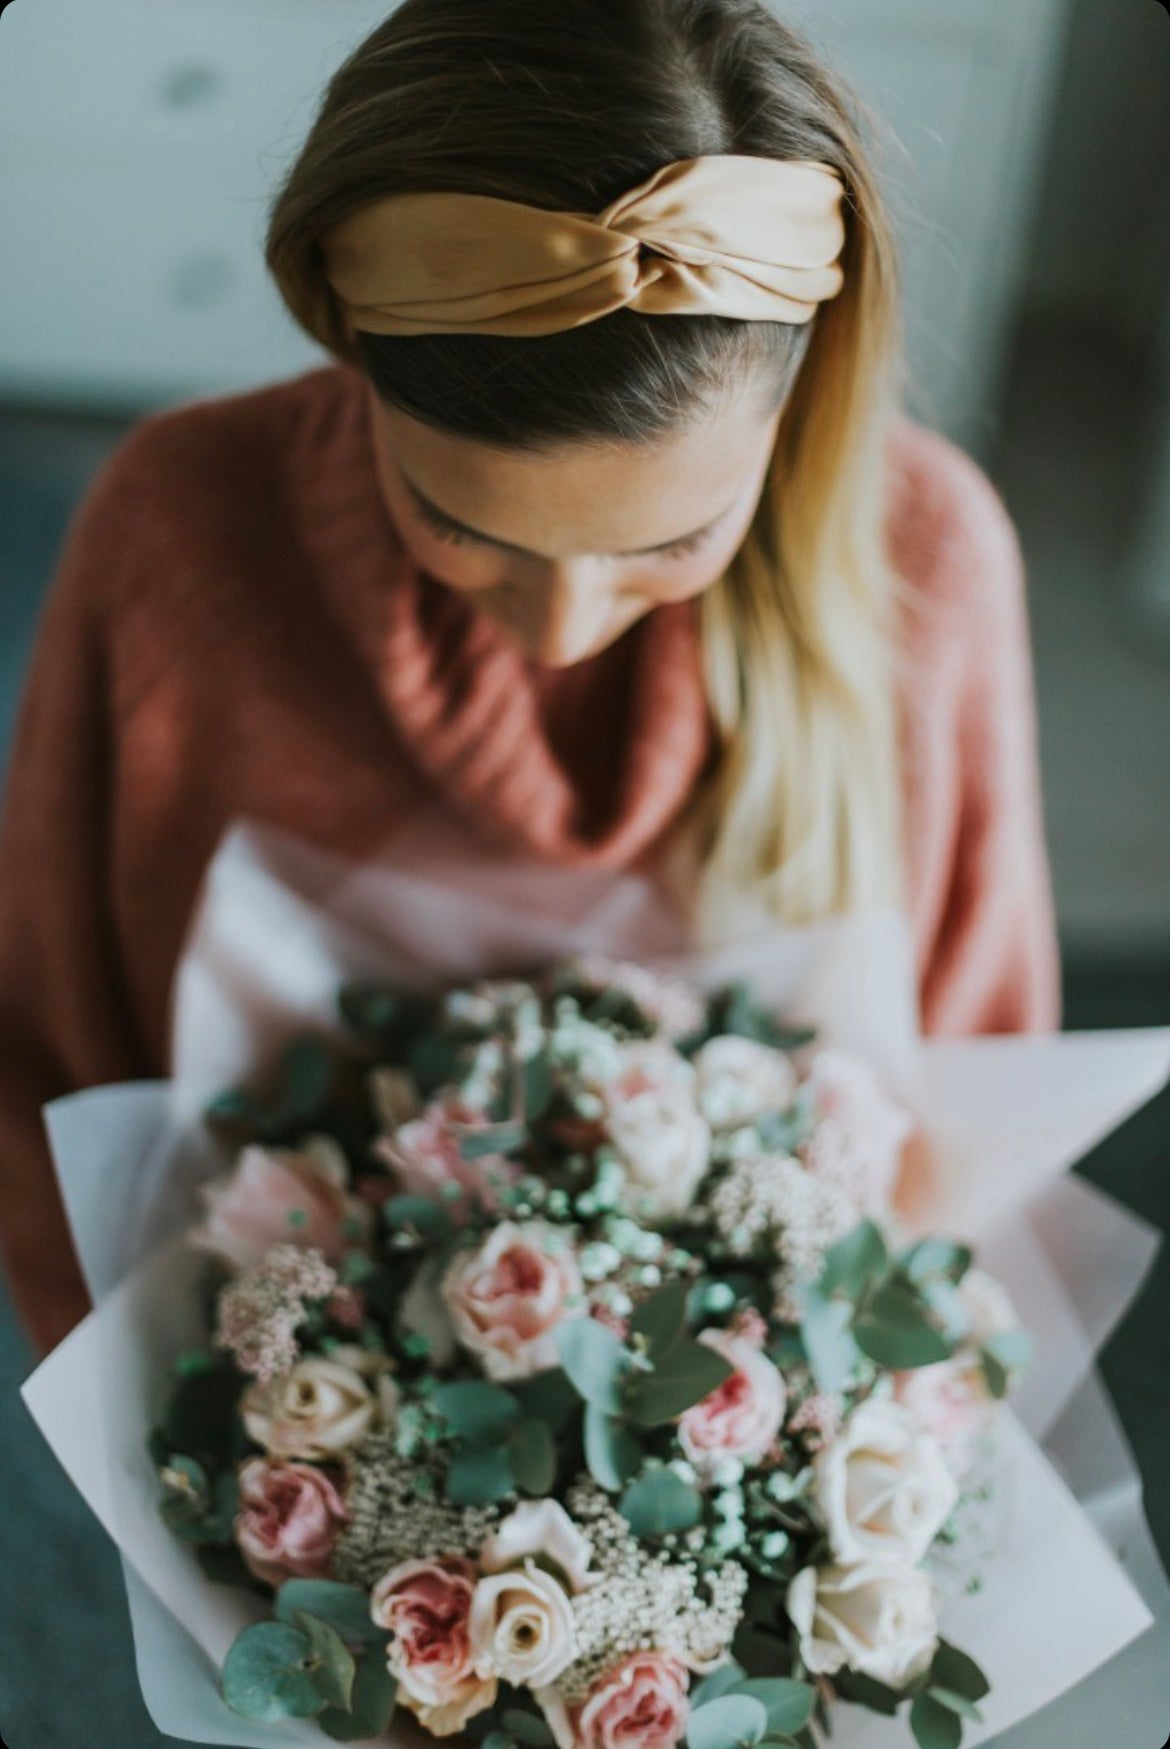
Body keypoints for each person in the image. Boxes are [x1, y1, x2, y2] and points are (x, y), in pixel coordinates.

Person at [0, 0, 1060, 1363]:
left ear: (799, 396)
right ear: (350, 349)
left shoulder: (929, 563)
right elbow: (57, 1041)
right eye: (462, 525)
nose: (560, 633)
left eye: (670, 541)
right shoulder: (179, 527)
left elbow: (970, 1116)